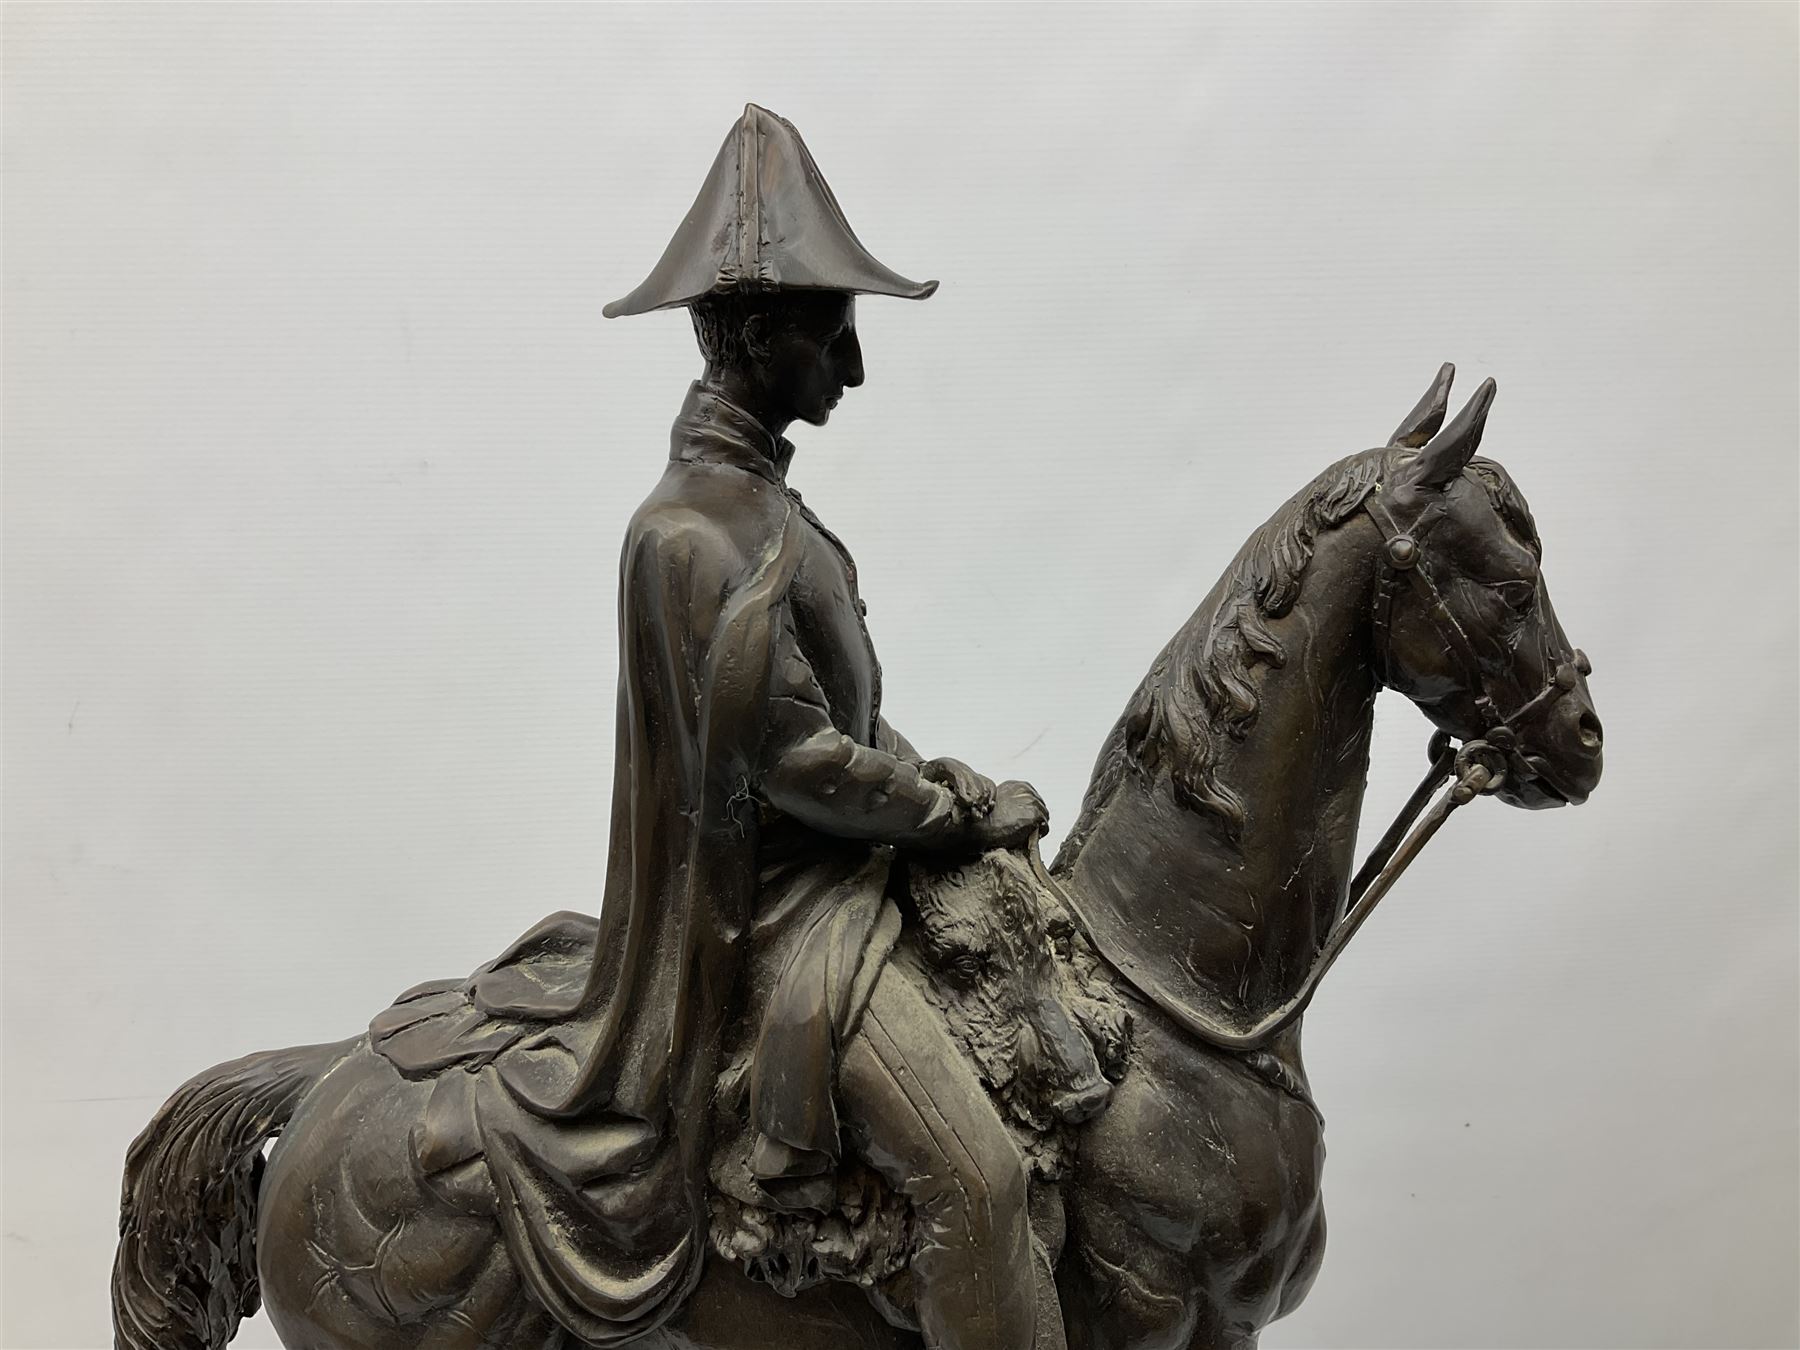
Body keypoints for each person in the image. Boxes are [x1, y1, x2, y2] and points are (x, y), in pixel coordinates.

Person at [475, 105, 1049, 1350]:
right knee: (978, 1184)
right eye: (831, 331)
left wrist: (929, 774)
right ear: (746, 335)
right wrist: (946, 814)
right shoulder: (690, 535)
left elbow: (850, 720)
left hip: (846, 876)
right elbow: (790, 758)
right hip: (783, 924)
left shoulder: (760, 507)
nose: (852, 367)